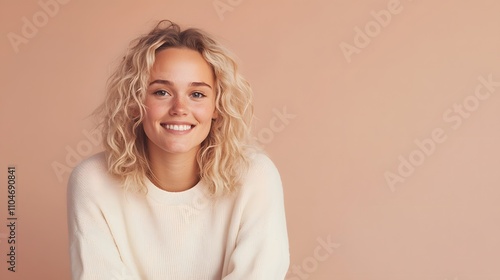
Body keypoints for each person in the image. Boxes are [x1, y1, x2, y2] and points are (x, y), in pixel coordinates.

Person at [67, 20, 290, 279]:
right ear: (134, 103)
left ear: (217, 106)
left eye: (197, 94)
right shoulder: (92, 180)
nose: (179, 108)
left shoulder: (255, 176)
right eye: (161, 92)